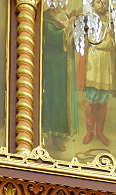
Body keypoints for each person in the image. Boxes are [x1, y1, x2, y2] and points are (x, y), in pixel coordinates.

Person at [80, 0, 115, 146]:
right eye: (98, 2)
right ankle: (90, 132)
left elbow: (112, 44)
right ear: (93, 4)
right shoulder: (89, 20)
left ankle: (100, 131)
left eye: (104, 2)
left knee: (102, 100)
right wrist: (104, 42)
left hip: (105, 64)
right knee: (91, 100)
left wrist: (107, 41)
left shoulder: (112, 21)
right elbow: (92, 40)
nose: (102, 5)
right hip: (92, 63)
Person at [42, 5, 76, 153]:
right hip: (53, 63)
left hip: (66, 62)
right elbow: (50, 37)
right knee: (55, 96)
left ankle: (61, 133)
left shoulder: (65, 17)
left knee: (64, 98)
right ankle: (52, 134)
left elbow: (72, 41)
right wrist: (67, 30)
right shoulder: (47, 17)